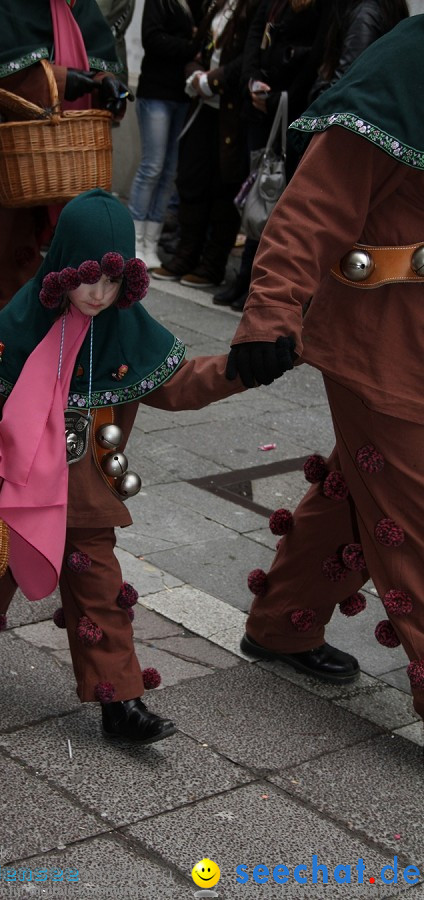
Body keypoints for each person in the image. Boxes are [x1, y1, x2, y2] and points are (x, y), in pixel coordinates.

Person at [0, 188, 293, 744]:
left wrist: (242, 370)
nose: (99, 293)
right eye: (88, 276)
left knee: (103, 596)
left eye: (114, 281)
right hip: (11, 488)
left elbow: (180, 382)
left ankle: (121, 704)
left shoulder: (127, 328)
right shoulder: (18, 325)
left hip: (86, 496)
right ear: (63, 266)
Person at [224, 14, 424, 722]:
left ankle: (282, 622)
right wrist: (271, 309)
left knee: (356, 491)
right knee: (416, 515)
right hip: (385, 346)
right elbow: (315, 205)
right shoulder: (410, 62)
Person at [0, 0, 131, 387]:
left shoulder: (76, 5)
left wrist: (103, 83)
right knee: (2, 265)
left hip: (45, 152)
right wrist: (63, 79)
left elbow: (98, 56)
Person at [213, 0, 325, 310]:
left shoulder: (321, 9)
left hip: (291, 110)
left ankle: (260, 284)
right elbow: (254, 37)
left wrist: (279, 98)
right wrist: (252, 81)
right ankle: (245, 275)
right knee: (259, 194)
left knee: (279, 200)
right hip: (260, 108)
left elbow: (317, 55)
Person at [151, 0, 260, 288]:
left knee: (224, 187)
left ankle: (212, 265)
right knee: (192, 179)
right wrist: (196, 72)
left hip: (232, 110)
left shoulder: (256, 8)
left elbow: (249, 57)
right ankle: (186, 255)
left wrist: (214, 79)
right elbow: (198, 46)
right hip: (202, 107)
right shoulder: (219, 5)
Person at [126, 0, 199, 270]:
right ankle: (133, 241)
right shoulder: (160, 3)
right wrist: (190, 47)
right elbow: (153, 39)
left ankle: (151, 243)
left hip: (182, 95)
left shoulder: (196, 5)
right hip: (155, 92)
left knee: (169, 170)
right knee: (152, 166)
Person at [309, 0, 408, 101]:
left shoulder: (365, 16)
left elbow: (344, 83)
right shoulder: (376, 9)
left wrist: (318, 100)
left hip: (342, 106)